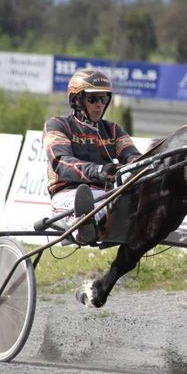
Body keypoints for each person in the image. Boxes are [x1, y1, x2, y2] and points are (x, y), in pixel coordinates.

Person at [43, 68, 141, 245]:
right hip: (67, 193)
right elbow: (61, 162)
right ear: (77, 101)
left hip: (105, 195)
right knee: (84, 201)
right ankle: (82, 224)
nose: (99, 105)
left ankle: (92, 222)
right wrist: (98, 170)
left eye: (103, 99)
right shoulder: (57, 125)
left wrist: (137, 167)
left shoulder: (113, 130)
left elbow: (132, 155)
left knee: (131, 198)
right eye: (93, 99)